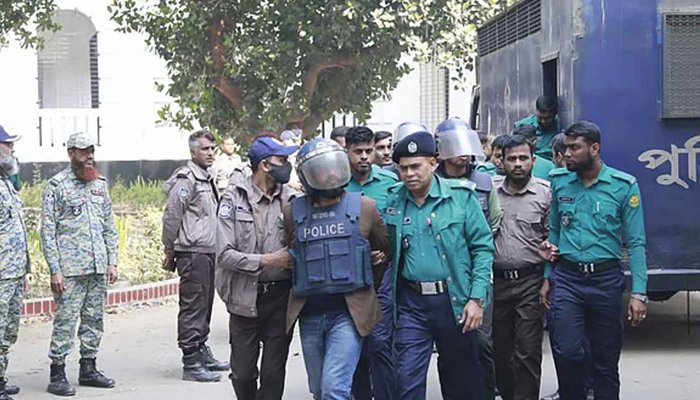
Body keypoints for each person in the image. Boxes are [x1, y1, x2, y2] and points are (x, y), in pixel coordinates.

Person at [540, 121, 648, 400]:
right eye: (565, 147)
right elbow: (554, 231)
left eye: (574, 148)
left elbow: (636, 242)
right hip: (567, 278)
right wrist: (547, 276)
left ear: (595, 148)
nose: (567, 154)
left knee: (605, 359)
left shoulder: (623, 186)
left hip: (605, 280)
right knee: (566, 351)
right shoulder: (560, 181)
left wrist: (639, 293)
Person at [386, 130, 493, 400]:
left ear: (433, 163)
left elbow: (482, 249)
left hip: (454, 301)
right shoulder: (394, 200)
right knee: (406, 379)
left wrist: (477, 299)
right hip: (412, 304)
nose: (409, 174)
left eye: (416, 166)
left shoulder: (461, 197)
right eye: (403, 168)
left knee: (461, 382)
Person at [282, 138, 388, 400]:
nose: (329, 176)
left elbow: (384, 252)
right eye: (321, 171)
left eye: (332, 168)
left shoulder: (365, 208)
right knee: (320, 390)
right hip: (310, 315)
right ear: (306, 176)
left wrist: (363, 270)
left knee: (333, 389)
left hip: (348, 313)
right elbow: (292, 253)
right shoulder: (293, 212)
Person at [216, 136, 299, 400]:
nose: (287, 165)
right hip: (244, 297)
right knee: (242, 374)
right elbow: (224, 255)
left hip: (281, 298)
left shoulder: (292, 199)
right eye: (282, 160)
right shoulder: (233, 199)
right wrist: (268, 260)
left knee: (273, 374)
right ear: (265, 165)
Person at [41, 132, 119, 396]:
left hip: (97, 267)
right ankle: (57, 373)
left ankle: (88, 368)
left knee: (94, 320)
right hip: (70, 270)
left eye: (92, 151)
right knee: (65, 321)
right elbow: (48, 232)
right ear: (71, 153)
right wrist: (55, 270)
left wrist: (112, 261)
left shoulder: (99, 184)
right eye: (84, 151)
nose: (90, 156)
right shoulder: (56, 186)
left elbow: (109, 225)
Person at [433, 118, 501, 400]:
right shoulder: (431, 181)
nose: (461, 153)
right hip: (443, 275)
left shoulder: (483, 181)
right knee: (449, 345)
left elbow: (494, 221)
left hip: (477, 273)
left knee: (481, 341)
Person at [162, 129, 229, 382]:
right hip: (192, 252)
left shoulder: (206, 177)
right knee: (193, 306)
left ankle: (201, 351)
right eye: (204, 149)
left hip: (208, 250)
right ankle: (190, 361)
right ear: (192, 152)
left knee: (205, 305)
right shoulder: (186, 179)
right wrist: (169, 249)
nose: (210, 153)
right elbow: (172, 217)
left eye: (212, 149)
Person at [491, 135, 550, 400]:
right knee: (500, 349)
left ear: (533, 161)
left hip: (530, 282)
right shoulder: (490, 192)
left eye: (523, 158)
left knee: (527, 349)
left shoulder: (546, 194)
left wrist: (547, 279)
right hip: (497, 282)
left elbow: (553, 239)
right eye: (512, 158)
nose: (517, 164)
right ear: (501, 162)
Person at [344, 126, 399, 400]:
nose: (364, 157)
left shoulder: (390, 182)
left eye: (369, 150)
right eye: (358, 151)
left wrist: (385, 252)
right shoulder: (336, 184)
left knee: (380, 343)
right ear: (347, 152)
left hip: (382, 274)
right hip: (349, 277)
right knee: (356, 344)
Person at [0, 126, 28, 400]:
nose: (12, 148)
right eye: (7, 144)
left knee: (8, 330)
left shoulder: (7, 183)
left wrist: (23, 272)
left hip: (13, 270)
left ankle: (0, 377)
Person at [514, 95, 559, 161]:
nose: (543, 121)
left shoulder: (559, 126)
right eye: (540, 117)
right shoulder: (521, 125)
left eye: (547, 118)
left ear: (555, 115)